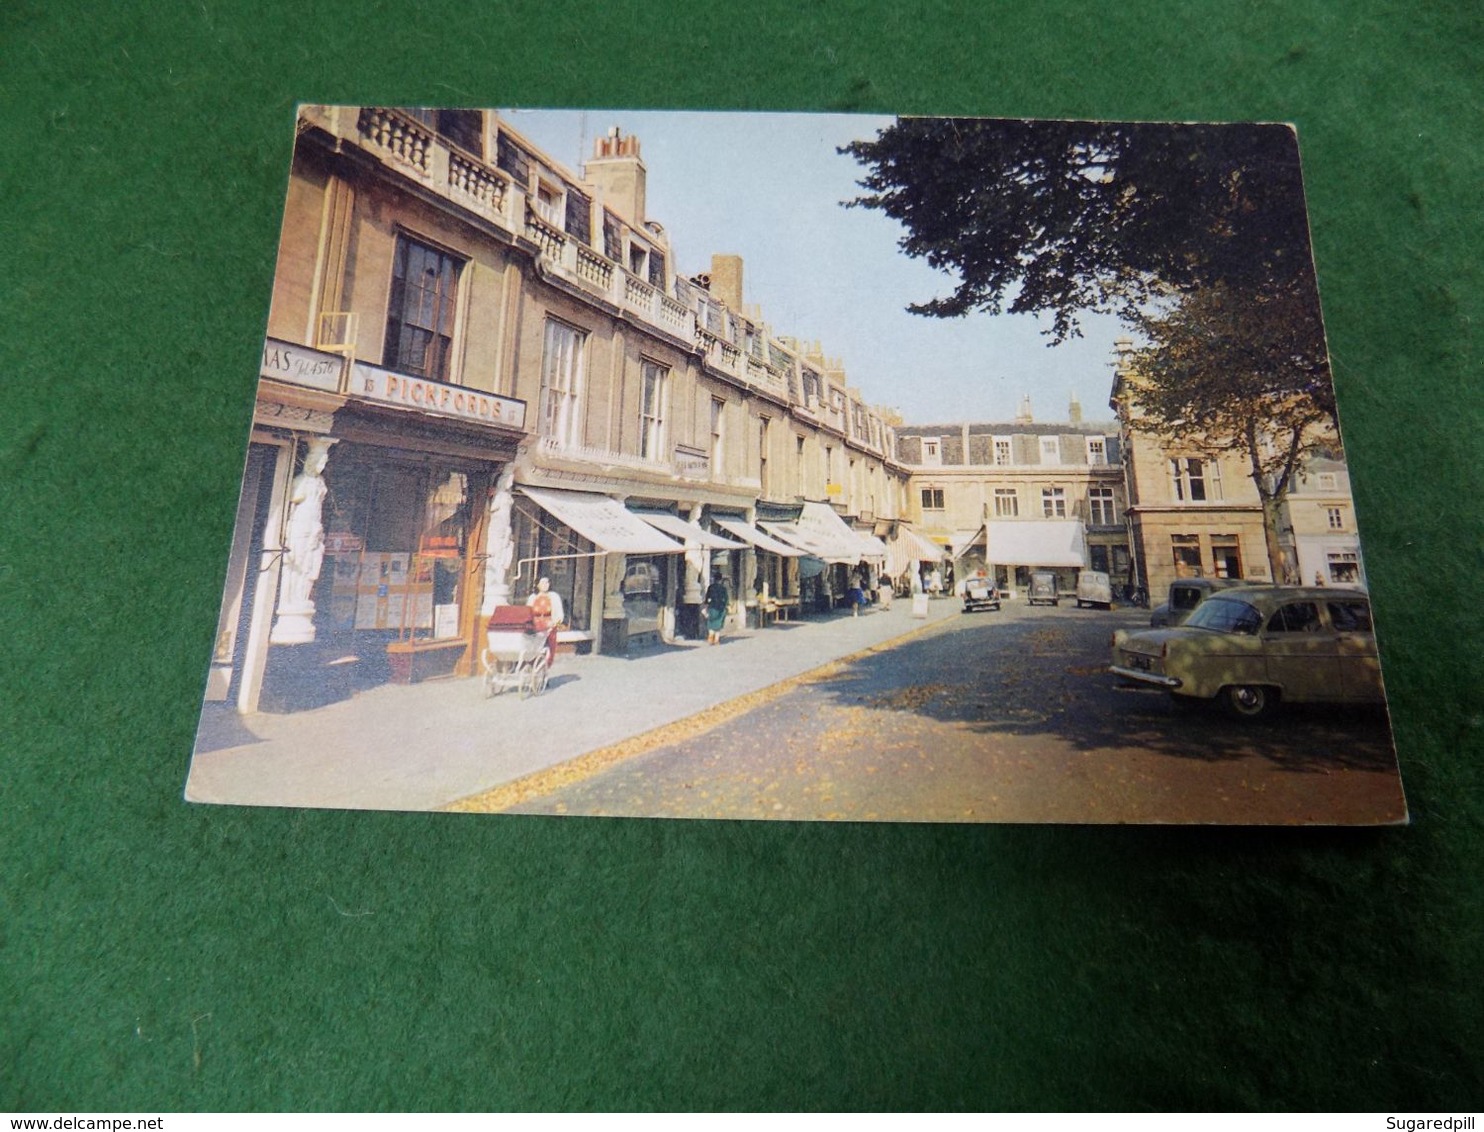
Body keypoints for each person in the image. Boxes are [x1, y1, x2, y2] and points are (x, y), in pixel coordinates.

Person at [526, 577, 564, 666]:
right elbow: (527, 612)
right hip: (535, 626)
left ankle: (545, 668)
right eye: (543, 583)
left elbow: (560, 615)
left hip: (550, 626)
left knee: (548, 649)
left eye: (547, 582)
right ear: (538, 585)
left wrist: (555, 624)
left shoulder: (554, 596)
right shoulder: (533, 597)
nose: (545, 585)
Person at [704, 569, 729, 645]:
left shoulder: (711, 587)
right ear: (720, 579)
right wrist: (726, 605)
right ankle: (716, 640)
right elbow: (726, 599)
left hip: (712, 607)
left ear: (714, 579)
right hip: (720, 608)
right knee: (718, 624)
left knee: (711, 622)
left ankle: (710, 637)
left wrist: (706, 605)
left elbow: (707, 597)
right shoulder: (723, 589)